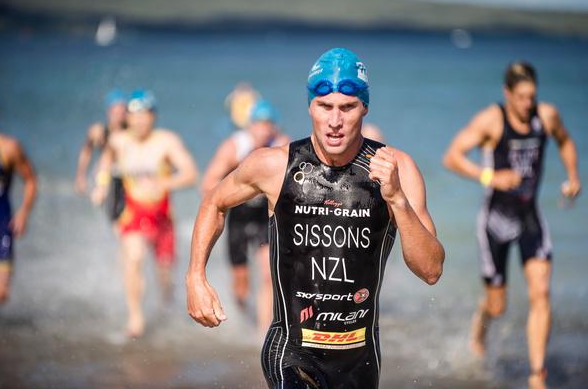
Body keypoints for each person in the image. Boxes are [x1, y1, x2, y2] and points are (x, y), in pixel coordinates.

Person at [186, 48, 444, 388]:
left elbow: (431, 270)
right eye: (325, 107)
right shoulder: (276, 165)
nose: (335, 121)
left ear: (364, 107)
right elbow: (214, 202)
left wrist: (397, 199)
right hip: (291, 354)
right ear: (310, 106)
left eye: (347, 108)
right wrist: (195, 277)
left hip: (360, 359)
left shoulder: (398, 169)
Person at [442, 61, 580, 389]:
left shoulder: (546, 116)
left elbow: (565, 141)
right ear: (507, 94)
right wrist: (489, 176)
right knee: (497, 305)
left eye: (532, 97)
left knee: (541, 291)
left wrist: (573, 176)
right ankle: (483, 321)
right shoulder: (491, 120)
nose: (527, 104)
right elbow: (452, 156)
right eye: (520, 97)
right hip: (495, 222)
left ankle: (536, 376)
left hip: (530, 216)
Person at [92, 90, 199, 337]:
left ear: (153, 116)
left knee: (164, 277)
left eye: (145, 115)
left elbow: (191, 173)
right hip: (133, 213)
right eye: (135, 115)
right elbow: (106, 162)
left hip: (162, 216)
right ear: (127, 118)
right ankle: (135, 318)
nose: (140, 121)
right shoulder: (119, 141)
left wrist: (165, 183)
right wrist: (101, 185)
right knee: (133, 256)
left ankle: (168, 310)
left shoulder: (166, 141)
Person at [200, 99, 290, 334]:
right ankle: (242, 314)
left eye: (268, 124)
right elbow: (208, 183)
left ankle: (263, 332)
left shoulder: (282, 146)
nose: (263, 129)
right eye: (258, 124)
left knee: (269, 274)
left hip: (265, 216)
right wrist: (238, 179)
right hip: (239, 216)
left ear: (274, 127)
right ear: (250, 126)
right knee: (241, 283)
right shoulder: (234, 146)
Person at [0, 100, 37, 304]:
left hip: (1, 224)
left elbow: (31, 180)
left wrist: (23, 213)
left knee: (0, 295)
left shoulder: (8, 148)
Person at [75, 89, 127, 221]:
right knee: (108, 209)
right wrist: (81, 176)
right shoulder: (98, 131)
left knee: (122, 213)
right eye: (117, 112)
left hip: (123, 174)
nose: (120, 115)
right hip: (103, 174)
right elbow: (86, 152)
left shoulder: (130, 131)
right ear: (109, 112)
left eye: (123, 112)